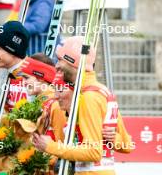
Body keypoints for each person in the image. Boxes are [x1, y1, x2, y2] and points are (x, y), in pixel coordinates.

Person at [32, 36, 134, 175]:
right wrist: (111, 139)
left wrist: (51, 147)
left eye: (60, 59)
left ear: (73, 61)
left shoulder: (88, 96)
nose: (56, 65)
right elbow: (128, 145)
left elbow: (93, 152)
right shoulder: (102, 91)